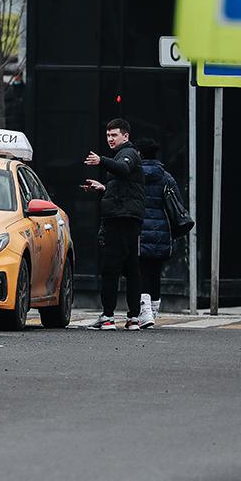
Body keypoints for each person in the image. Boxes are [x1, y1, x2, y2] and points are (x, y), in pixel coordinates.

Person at [83, 118, 145, 331]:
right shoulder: (125, 154)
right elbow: (125, 187)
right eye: (108, 135)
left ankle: (108, 317)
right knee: (131, 270)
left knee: (110, 270)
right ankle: (133, 318)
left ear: (125, 136)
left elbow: (123, 169)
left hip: (119, 222)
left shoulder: (127, 153)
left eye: (114, 135)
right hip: (128, 220)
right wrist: (103, 188)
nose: (110, 139)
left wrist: (101, 160)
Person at [132, 137, 181, 329]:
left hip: (140, 230)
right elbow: (177, 203)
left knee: (141, 272)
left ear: (139, 154)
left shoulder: (135, 175)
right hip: (162, 231)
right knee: (155, 273)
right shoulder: (166, 176)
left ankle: (145, 314)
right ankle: (154, 311)